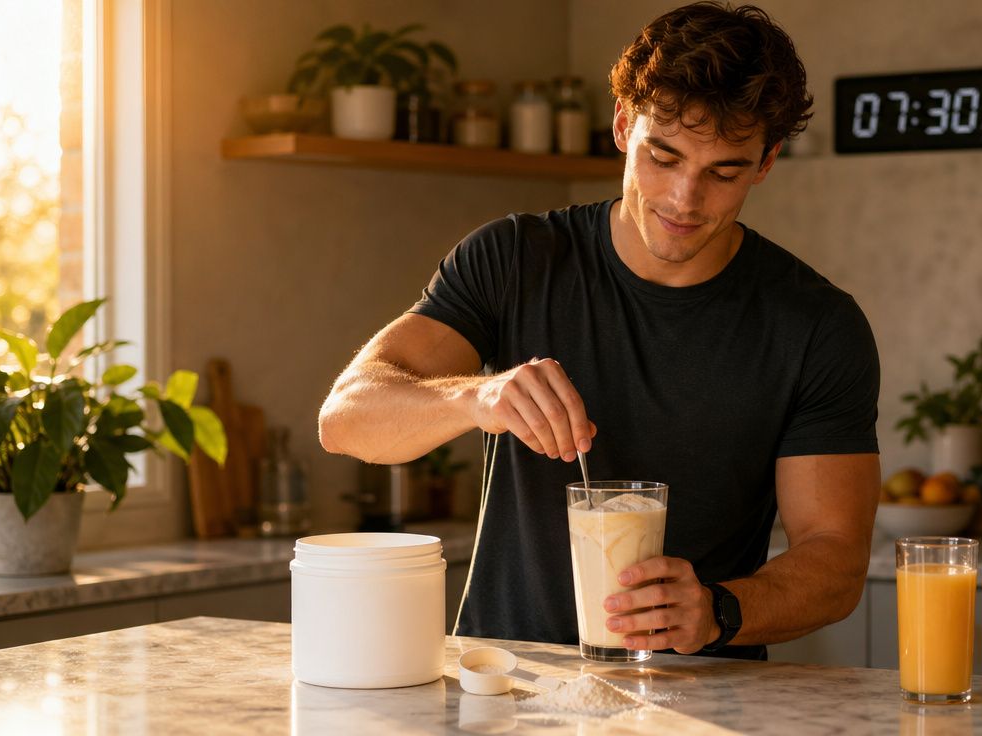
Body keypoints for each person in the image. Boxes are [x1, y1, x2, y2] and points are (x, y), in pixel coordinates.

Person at [318, 1, 880, 661]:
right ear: (621, 126)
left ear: (765, 162)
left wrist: (718, 610)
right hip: (504, 688)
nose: (683, 198)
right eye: (662, 156)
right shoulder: (515, 259)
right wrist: (478, 398)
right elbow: (345, 418)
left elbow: (835, 560)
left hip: (703, 704)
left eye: (722, 172)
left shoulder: (814, 324)